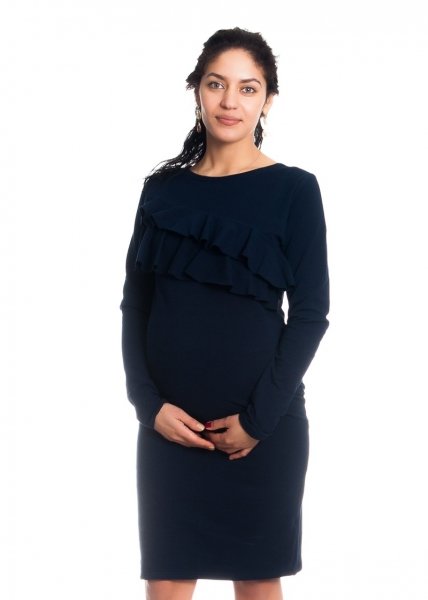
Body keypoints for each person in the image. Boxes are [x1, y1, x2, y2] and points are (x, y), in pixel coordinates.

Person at [119, 26, 330, 600]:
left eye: (247, 87)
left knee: (258, 582)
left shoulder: (294, 190)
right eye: (216, 84)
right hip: (168, 429)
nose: (230, 101)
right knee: (166, 582)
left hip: (262, 428)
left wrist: (258, 420)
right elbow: (135, 306)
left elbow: (311, 314)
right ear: (197, 91)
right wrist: (148, 406)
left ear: (268, 100)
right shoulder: (160, 191)